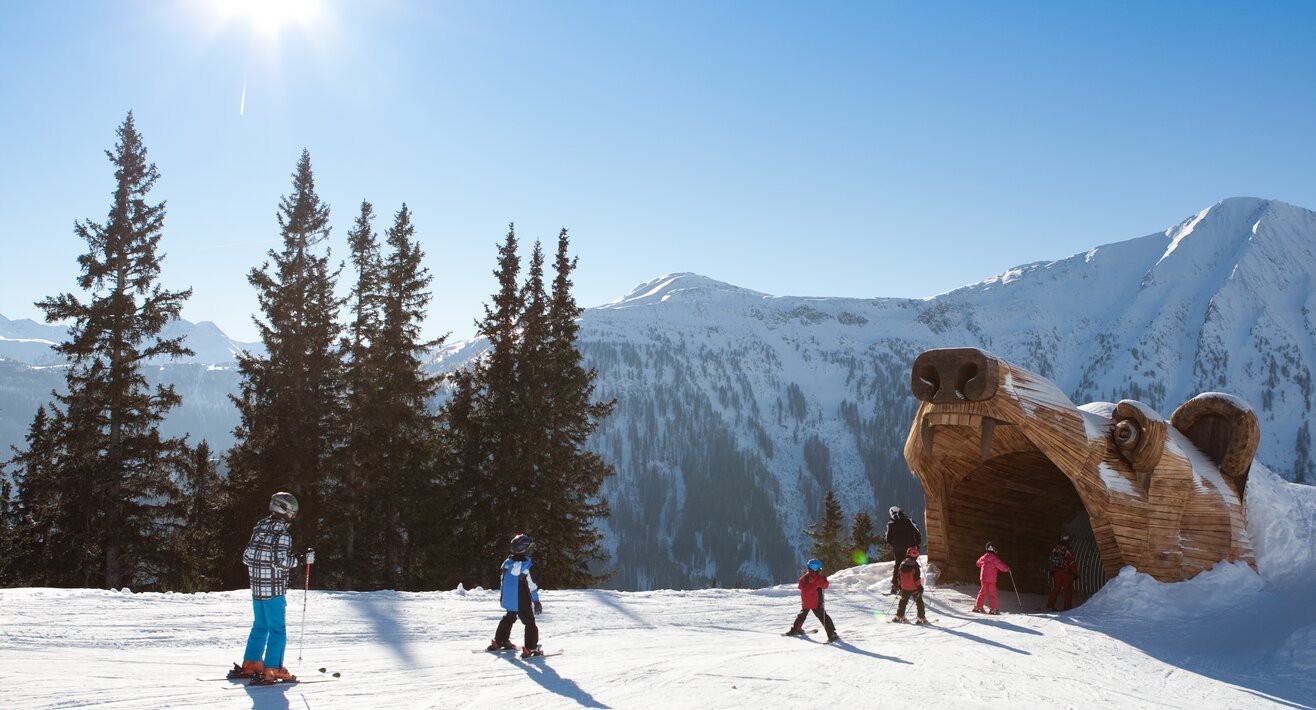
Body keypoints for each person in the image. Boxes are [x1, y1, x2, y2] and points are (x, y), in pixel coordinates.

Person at [228, 491, 304, 683]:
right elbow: (281, 562)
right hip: (274, 590)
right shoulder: (282, 534)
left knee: (260, 626)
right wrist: (300, 560)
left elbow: (247, 558)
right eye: (293, 511)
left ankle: (251, 663)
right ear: (286, 511)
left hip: (257, 589)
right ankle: (272, 669)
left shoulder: (260, 527)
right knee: (277, 629)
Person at [488, 533, 544, 658]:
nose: (531, 550)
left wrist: (504, 597)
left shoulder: (507, 563)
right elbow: (531, 586)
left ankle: (500, 641)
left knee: (509, 617)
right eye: (529, 548)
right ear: (524, 549)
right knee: (530, 622)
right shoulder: (526, 566)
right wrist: (536, 601)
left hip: (509, 598)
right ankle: (530, 647)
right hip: (521, 599)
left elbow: (503, 581)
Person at [785, 558, 840, 642]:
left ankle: (795, 629)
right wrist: (823, 577)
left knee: (802, 615)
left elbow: (800, 586)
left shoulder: (804, 577)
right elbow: (825, 585)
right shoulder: (819, 578)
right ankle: (832, 634)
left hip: (805, 600)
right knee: (823, 617)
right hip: (816, 601)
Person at [885, 507, 922, 594]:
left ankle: (895, 586)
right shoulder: (908, 521)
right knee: (911, 564)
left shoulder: (890, 524)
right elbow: (917, 532)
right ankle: (913, 585)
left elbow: (888, 539)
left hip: (897, 548)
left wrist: (895, 545)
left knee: (898, 565)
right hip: (910, 547)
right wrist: (917, 544)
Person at [893, 547, 929, 624]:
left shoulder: (903, 563)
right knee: (919, 602)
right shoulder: (914, 565)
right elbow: (916, 578)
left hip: (905, 587)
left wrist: (900, 585)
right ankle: (921, 618)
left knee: (903, 602)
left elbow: (898, 576)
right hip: (914, 588)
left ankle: (899, 615)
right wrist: (919, 587)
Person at [974, 542, 1011, 615]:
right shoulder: (994, 558)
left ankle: (978, 607)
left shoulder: (984, 557)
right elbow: (1001, 565)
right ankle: (993, 609)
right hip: (991, 580)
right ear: (993, 549)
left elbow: (978, 563)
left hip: (984, 579)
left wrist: (983, 565)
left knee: (982, 592)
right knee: (992, 593)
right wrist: (1007, 569)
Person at [1046, 534, 1078, 611]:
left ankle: (1050, 605)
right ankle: (1067, 608)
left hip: (1056, 573)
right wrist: (1075, 573)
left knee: (1056, 589)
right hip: (1066, 573)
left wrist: (1052, 570)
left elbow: (1051, 560)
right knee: (1068, 590)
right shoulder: (1068, 549)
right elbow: (1072, 562)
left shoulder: (1055, 549)